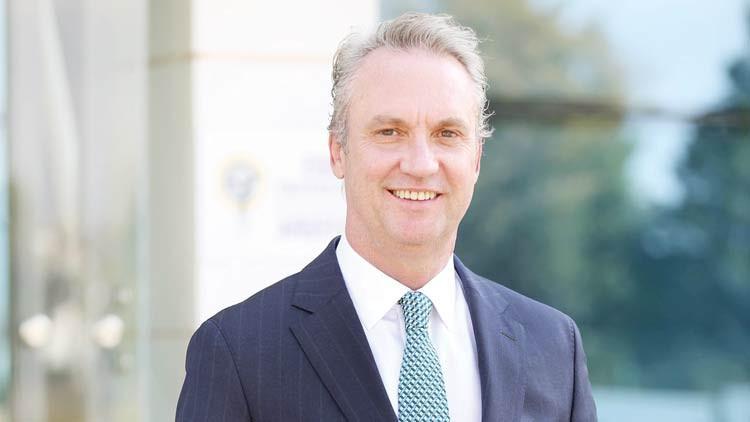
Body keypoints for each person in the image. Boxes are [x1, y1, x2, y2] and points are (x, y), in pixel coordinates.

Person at [176, 12, 597, 422]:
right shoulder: (239, 354)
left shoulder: (553, 347)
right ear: (338, 152)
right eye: (389, 132)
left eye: (447, 134)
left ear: (476, 158)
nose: (420, 164)